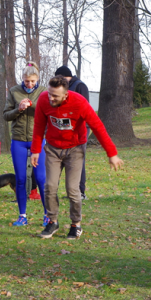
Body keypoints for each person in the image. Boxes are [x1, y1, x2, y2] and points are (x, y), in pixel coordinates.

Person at [32, 76, 123, 239]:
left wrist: (112, 154)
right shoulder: (43, 100)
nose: (51, 98)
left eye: (55, 96)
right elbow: (39, 125)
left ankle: (76, 225)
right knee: (50, 186)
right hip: (53, 148)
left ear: (66, 95)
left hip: (75, 149)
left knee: (73, 190)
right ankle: (52, 221)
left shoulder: (79, 102)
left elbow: (97, 126)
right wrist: (35, 150)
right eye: (50, 94)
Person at [3, 62, 48, 227]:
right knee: (21, 179)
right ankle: (22, 216)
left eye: (32, 81)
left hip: (38, 140)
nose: (29, 84)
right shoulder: (14, 91)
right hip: (19, 140)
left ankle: (47, 215)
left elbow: (49, 112)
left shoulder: (44, 91)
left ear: (37, 79)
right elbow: (6, 115)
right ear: (22, 78)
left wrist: (34, 106)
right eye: (27, 81)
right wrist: (19, 109)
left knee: (41, 178)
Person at [54, 66, 90, 201]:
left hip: (80, 129)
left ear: (64, 76)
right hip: (64, 128)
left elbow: (83, 108)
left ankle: (80, 192)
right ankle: (70, 191)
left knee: (78, 159)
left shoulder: (80, 86)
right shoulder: (64, 87)